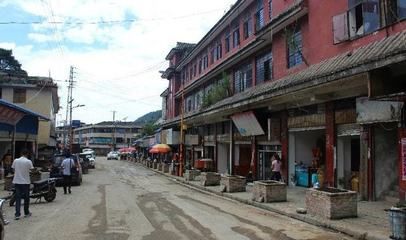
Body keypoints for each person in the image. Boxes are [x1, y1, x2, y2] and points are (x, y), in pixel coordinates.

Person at [11, 149, 34, 220]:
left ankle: (17, 214)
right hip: (25, 182)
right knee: (26, 198)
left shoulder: (16, 160)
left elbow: (13, 169)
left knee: (18, 198)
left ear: (21, 153)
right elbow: (32, 170)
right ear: (27, 154)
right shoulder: (28, 161)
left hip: (17, 181)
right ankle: (26, 212)